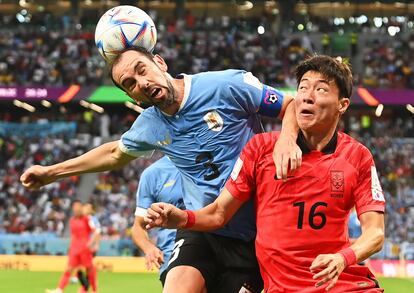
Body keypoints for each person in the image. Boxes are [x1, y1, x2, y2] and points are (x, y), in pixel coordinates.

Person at [21, 46, 301, 293]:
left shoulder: (225, 84)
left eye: (142, 70)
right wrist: (51, 173)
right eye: (130, 84)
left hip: (257, 234)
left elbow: (289, 104)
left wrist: (287, 140)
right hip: (201, 228)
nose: (141, 83)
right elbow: (114, 153)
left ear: (160, 62)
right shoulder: (150, 124)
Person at [145, 55, 386, 292]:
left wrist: (343, 258)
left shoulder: (358, 157)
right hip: (283, 287)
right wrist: (181, 217)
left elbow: (375, 232)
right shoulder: (260, 149)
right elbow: (219, 213)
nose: (308, 97)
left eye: (321, 90)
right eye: (303, 88)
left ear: (342, 105)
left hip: (342, 284)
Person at [132, 156, 185, 286]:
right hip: (171, 255)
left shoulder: (212, 160)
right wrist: (149, 248)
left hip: (215, 251)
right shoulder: (153, 173)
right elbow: (138, 226)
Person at [46, 200, 98, 293]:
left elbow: (96, 232)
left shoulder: (87, 219)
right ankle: (59, 289)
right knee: (69, 269)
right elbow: (73, 236)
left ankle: (93, 290)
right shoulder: (72, 220)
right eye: (74, 206)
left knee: (89, 269)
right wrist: (70, 247)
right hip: (74, 249)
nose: (76, 208)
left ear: (81, 207)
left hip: (85, 249)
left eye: (78, 206)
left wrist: (92, 243)